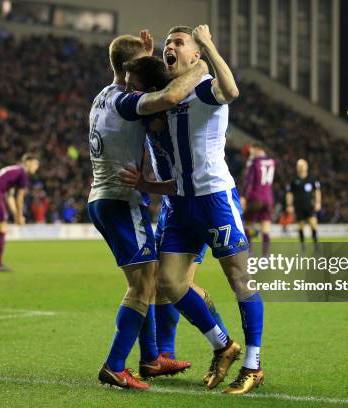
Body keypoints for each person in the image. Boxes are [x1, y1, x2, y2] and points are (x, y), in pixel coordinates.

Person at [117, 25, 264, 394]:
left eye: (178, 43)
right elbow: (137, 81)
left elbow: (231, 90)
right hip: (180, 205)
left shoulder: (203, 89)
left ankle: (252, 364)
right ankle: (223, 345)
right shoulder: (169, 95)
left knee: (240, 281)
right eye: (168, 44)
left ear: (195, 55)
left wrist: (210, 45)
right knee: (168, 283)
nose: (171, 47)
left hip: (214, 200)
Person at [88, 32, 209, 390]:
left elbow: (140, 80)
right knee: (142, 287)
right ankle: (114, 365)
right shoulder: (126, 100)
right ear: (128, 70)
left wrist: (146, 57)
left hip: (104, 198)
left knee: (151, 279)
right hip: (121, 200)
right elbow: (171, 95)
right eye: (143, 61)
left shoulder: (102, 95)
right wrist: (200, 65)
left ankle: (152, 358)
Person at [119, 55, 230, 369]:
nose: (127, 93)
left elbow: (186, 183)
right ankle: (165, 352)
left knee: (178, 285)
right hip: (172, 208)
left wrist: (146, 185)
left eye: (133, 87)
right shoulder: (147, 115)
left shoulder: (180, 120)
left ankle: (223, 343)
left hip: (197, 204)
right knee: (163, 283)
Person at [0, 153, 40, 271]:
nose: (36, 167)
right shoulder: (22, 173)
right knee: (2, 229)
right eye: (36, 164)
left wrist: (16, 215)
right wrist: (20, 216)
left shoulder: (14, 171)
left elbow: (10, 196)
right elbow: (19, 198)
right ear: (28, 162)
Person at [240, 144, 275, 256]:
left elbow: (249, 181)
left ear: (258, 149)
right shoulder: (272, 161)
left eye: (253, 151)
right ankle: (265, 255)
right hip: (268, 198)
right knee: (266, 227)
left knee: (247, 224)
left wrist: (244, 197)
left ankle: (249, 252)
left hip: (256, 197)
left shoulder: (255, 163)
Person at [286, 159, 321, 250]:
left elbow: (317, 191)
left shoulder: (312, 178)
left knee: (313, 224)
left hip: (310, 206)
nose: (301, 167)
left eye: (303, 165)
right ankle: (302, 245)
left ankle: (316, 244)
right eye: (299, 165)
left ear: (306, 167)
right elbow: (289, 193)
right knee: (300, 225)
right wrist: (289, 205)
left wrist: (318, 202)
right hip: (298, 206)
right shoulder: (293, 180)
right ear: (297, 167)